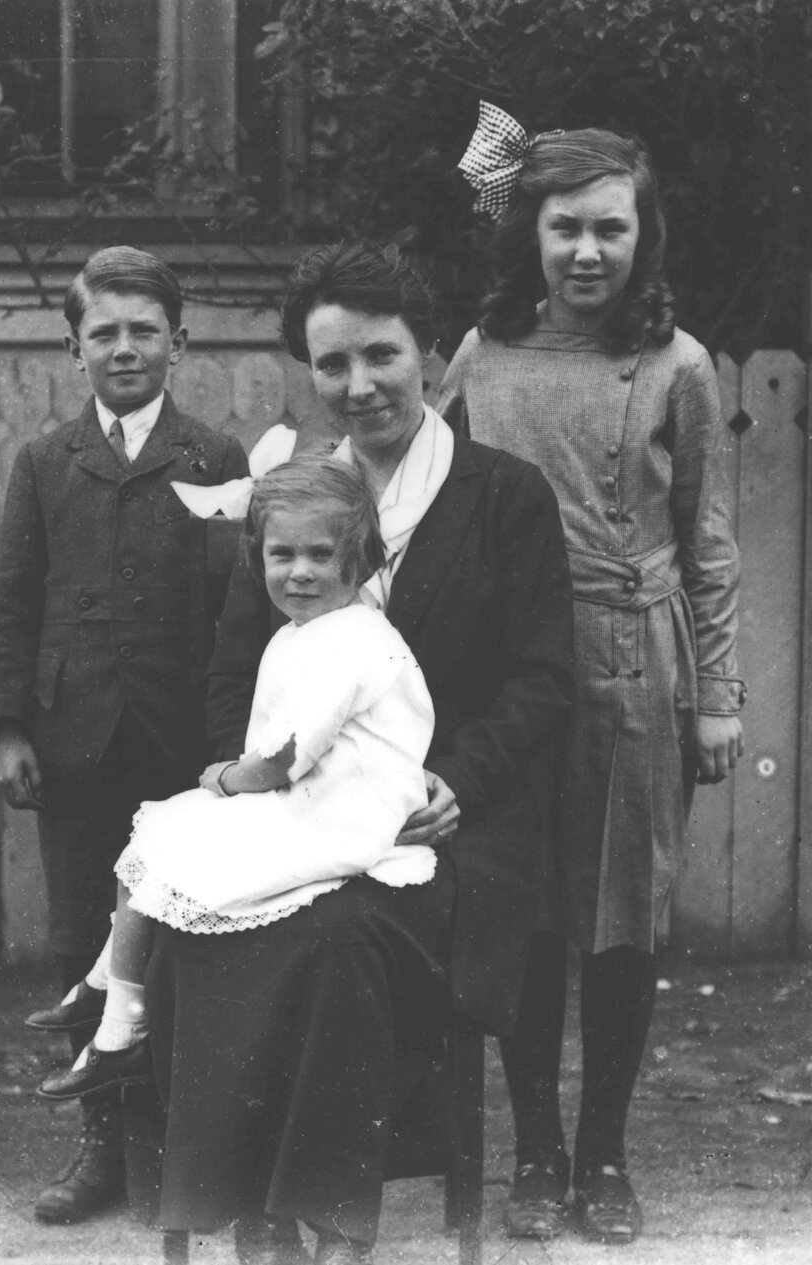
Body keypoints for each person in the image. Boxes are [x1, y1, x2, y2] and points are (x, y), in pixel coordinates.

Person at [128, 240, 574, 1265]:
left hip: (445, 834)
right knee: (203, 927)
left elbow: (543, 677)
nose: (358, 384)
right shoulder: (291, 501)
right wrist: (245, 793)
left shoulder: (502, 496)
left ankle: (331, 1220)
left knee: (331, 938)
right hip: (296, 821)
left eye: (381, 354)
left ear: (431, 356)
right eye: (332, 364)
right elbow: (229, 684)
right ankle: (242, 1207)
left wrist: (456, 779)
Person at [439, 104, 747, 1245]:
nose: (584, 253)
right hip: (511, 672)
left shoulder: (676, 366)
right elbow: (436, 503)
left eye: (609, 230)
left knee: (620, 919)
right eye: (563, 227)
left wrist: (719, 696)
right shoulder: (484, 354)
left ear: (642, 237)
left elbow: (708, 539)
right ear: (530, 231)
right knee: (521, 915)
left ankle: (605, 1158)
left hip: (633, 663)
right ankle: (535, 1154)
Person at [0, 245, 248, 1225]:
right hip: (76, 740)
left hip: (182, 747)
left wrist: (232, 744)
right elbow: (14, 602)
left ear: (177, 342)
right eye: (105, 332)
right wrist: (11, 728)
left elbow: (236, 609)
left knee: (183, 934)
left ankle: (175, 1137)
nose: (124, 348)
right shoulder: (46, 463)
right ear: (74, 345)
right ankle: (100, 1141)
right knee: (83, 937)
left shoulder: (215, 459)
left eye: (143, 330)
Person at [29, 454, 438, 1103]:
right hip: (309, 798)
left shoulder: (352, 641)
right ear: (259, 558)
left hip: (345, 815)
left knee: (165, 844)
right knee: (153, 841)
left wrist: (220, 779)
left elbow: (279, 760)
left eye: (320, 554)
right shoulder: (303, 633)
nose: (299, 571)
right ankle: (109, 998)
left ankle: (116, 1024)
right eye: (282, 554)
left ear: (357, 561)